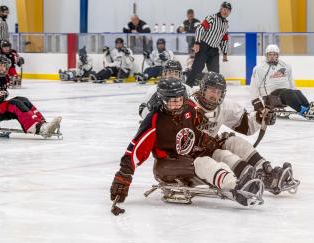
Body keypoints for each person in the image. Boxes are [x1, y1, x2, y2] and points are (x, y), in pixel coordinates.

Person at [110, 78, 262, 208]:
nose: (176, 104)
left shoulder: (189, 108)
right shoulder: (154, 120)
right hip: (167, 165)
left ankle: (245, 174)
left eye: (179, 100)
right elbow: (136, 149)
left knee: (219, 153)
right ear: (162, 99)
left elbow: (194, 128)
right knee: (204, 163)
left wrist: (206, 140)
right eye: (171, 101)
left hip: (189, 155)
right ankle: (234, 186)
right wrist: (124, 175)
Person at [191, 71, 298, 194]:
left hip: (208, 147)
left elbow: (246, 125)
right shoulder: (189, 105)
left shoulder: (224, 107)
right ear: (202, 89)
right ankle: (246, 175)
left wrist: (260, 117)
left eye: (218, 92)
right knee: (222, 155)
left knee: (233, 141)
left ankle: (265, 172)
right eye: (211, 90)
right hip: (191, 155)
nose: (214, 95)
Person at [250, 44, 314, 119]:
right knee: (287, 92)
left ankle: (309, 108)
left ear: (278, 55)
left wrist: (295, 90)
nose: (272, 56)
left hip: (284, 93)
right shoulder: (260, 68)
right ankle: (303, 111)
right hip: (270, 97)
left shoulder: (285, 66)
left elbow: (290, 81)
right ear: (266, 55)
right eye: (269, 54)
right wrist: (255, 101)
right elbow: (254, 86)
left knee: (297, 92)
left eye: (274, 54)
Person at [185, 2, 231, 86]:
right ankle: (187, 87)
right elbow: (200, 29)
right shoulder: (212, 18)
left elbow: (224, 39)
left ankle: (213, 91)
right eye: (224, 9)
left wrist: (225, 53)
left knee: (215, 74)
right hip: (203, 47)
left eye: (228, 10)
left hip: (214, 50)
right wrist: (197, 43)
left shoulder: (226, 24)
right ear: (220, 9)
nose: (226, 12)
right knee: (196, 69)